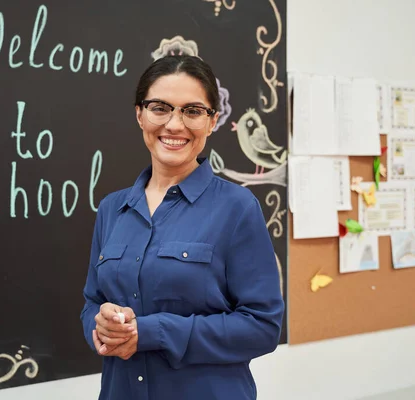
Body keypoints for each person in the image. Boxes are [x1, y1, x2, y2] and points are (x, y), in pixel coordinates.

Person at [80, 55, 284, 400]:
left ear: (212, 121)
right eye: (160, 107)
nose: (174, 125)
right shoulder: (113, 208)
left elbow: (262, 327)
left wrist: (151, 332)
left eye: (192, 111)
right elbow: (92, 302)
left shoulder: (236, 208)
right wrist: (99, 327)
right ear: (139, 114)